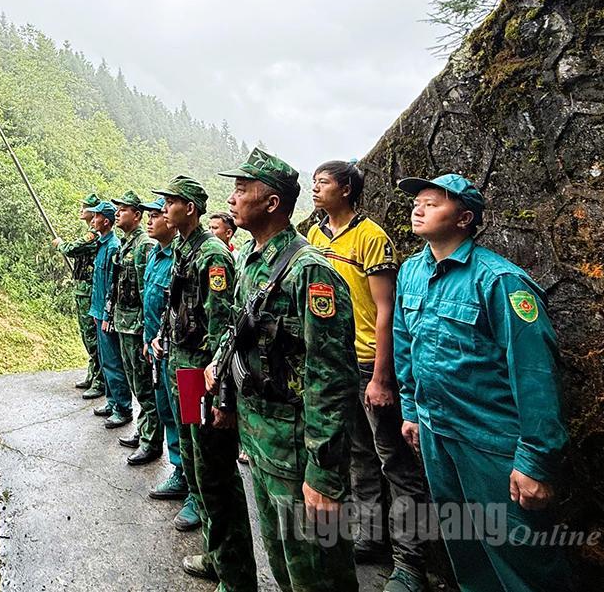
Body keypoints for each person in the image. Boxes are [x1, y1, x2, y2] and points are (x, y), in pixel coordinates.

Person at [394, 174, 572, 591]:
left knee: (524, 561)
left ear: (465, 218)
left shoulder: (499, 281)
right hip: (438, 434)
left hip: (492, 442)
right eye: (417, 201)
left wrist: (535, 461)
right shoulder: (410, 273)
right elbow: (406, 348)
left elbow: (535, 374)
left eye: (433, 203)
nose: (418, 208)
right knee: (467, 551)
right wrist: (410, 411)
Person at [210, 148, 359, 591]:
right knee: (282, 562)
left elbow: (331, 379)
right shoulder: (248, 260)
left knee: (318, 573)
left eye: (242, 189)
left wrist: (325, 476)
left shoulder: (308, 273)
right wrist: (226, 400)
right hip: (260, 441)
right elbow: (240, 339)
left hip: (299, 453)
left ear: (272, 203)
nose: (232, 198)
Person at [309, 161, 430, 591]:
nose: (315, 189)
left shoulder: (371, 237)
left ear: (346, 189)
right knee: (359, 455)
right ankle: (371, 536)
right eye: (313, 182)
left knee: (394, 460)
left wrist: (381, 377)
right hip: (335, 363)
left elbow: (385, 310)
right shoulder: (316, 236)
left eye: (322, 182)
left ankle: (410, 562)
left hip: (367, 363)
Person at [150, 175, 258, 590]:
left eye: (171, 202)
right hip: (181, 368)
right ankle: (217, 553)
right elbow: (175, 302)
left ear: (189, 209)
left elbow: (219, 324)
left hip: (200, 374)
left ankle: (231, 568)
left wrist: (219, 390)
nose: (163, 209)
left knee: (213, 468)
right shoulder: (182, 247)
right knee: (197, 462)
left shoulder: (212, 254)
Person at [108, 190, 161, 465]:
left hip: (137, 327)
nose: (118, 214)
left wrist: (146, 331)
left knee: (144, 386)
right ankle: (144, 431)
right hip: (122, 323)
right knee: (134, 382)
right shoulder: (127, 243)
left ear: (136, 215)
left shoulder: (144, 245)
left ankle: (151, 441)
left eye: (123, 210)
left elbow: (146, 292)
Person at [141, 196, 188, 500]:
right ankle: (179, 472)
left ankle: (192, 484)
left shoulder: (182, 257)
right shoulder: (155, 257)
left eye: (157, 214)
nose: (152, 220)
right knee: (167, 413)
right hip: (157, 348)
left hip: (180, 353)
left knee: (187, 420)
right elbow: (153, 305)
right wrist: (148, 340)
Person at [88, 200, 133, 429]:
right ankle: (112, 400)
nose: (91, 220)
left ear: (105, 221)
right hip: (98, 311)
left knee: (114, 362)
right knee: (105, 361)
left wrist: (107, 315)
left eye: (95, 217)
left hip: (107, 315)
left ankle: (123, 408)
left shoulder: (114, 246)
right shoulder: (102, 244)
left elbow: (113, 286)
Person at [55, 193, 104, 399]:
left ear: (93, 213)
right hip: (81, 289)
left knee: (92, 336)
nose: (81, 210)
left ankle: (101, 380)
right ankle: (92, 374)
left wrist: (60, 244)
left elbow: (73, 248)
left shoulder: (94, 235)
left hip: (89, 290)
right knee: (86, 335)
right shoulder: (90, 233)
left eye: (85, 207)